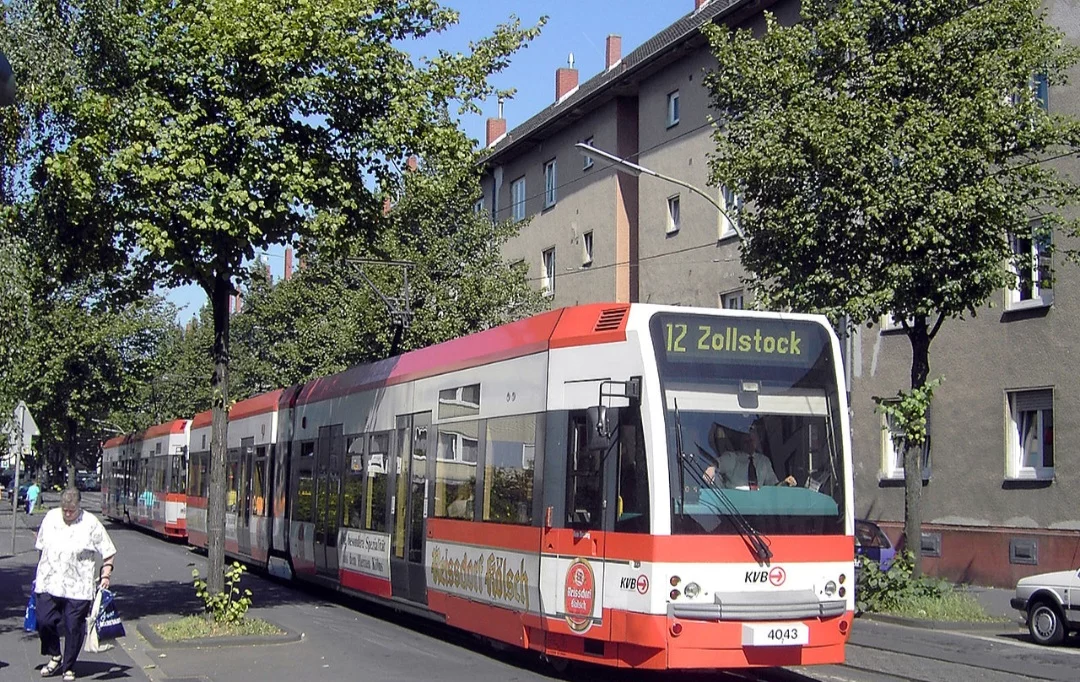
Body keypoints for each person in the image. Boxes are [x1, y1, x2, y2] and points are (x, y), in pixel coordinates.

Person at [34, 488, 116, 680]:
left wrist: (106, 575)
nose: (67, 514)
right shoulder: (51, 518)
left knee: (73, 626)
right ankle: (55, 655)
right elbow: (41, 547)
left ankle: (68, 666)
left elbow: (108, 551)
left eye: (71, 510)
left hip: (78, 586)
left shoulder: (90, 523)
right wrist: (39, 572)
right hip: (49, 581)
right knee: (44, 620)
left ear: (79, 506)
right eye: (64, 510)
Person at [703, 422, 796, 490]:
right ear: (741, 443)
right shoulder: (732, 457)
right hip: (733, 507)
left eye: (752, 440)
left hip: (759, 508)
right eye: (746, 441)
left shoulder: (764, 462)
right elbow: (717, 464)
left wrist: (785, 484)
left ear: (757, 441)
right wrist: (712, 468)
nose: (749, 443)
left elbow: (773, 487)